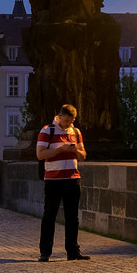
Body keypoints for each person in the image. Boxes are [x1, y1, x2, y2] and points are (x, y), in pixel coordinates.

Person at [36, 104, 90, 261]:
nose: (68, 124)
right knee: (49, 215)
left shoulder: (76, 132)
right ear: (59, 117)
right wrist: (60, 149)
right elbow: (40, 154)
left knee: (72, 217)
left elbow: (83, 156)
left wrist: (74, 151)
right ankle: (45, 252)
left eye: (71, 121)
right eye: (66, 121)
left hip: (72, 179)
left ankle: (73, 251)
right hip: (53, 180)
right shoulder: (47, 130)